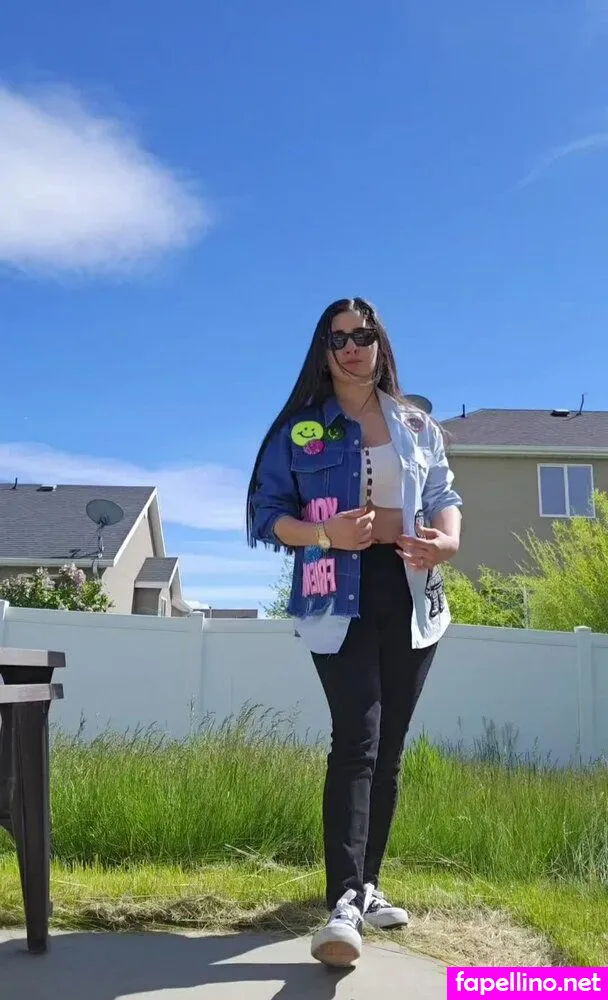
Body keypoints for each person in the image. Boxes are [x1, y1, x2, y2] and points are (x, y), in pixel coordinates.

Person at [246, 298, 462, 968]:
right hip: (336, 592)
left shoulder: (417, 424)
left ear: (379, 344)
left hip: (412, 591)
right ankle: (341, 901)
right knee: (357, 739)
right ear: (323, 349)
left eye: (362, 335)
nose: (351, 346)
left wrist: (448, 542)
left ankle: (368, 887)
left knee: (388, 747)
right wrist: (324, 534)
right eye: (337, 337)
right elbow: (265, 514)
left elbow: (445, 497)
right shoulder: (302, 429)